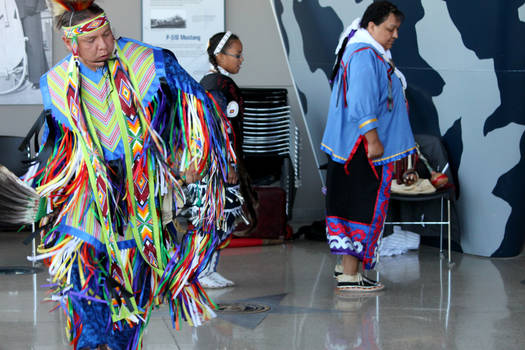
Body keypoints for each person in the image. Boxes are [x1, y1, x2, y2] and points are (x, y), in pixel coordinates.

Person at [28, 1, 234, 349]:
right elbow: (55, 146)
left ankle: (120, 343)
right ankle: (92, 343)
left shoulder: (147, 61)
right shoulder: (57, 82)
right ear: (70, 43)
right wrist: (44, 192)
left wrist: (197, 153)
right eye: (91, 40)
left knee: (131, 281)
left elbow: (196, 102)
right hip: (86, 194)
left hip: (140, 193)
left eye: (106, 35)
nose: (104, 46)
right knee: (83, 277)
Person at [321, 1, 416, 291]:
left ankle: (346, 271)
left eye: (397, 29)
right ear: (371, 26)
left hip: (354, 148)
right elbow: (362, 101)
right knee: (360, 207)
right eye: (391, 29)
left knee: (349, 203)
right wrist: (372, 138)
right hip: (361, 149)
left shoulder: (368, 53)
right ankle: (351, 276)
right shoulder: (364, 55)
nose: (395, 35)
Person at [195, 31, 257, 288]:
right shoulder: (215, 85)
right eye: (237, 55)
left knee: (224, 216)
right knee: (214, 216)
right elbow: (217, 128)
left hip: (226, 162)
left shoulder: (223, 83)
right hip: (217, 165)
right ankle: (201, 270)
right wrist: (227, 164)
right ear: (220, 56)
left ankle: (210, 267)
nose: (241, 59)